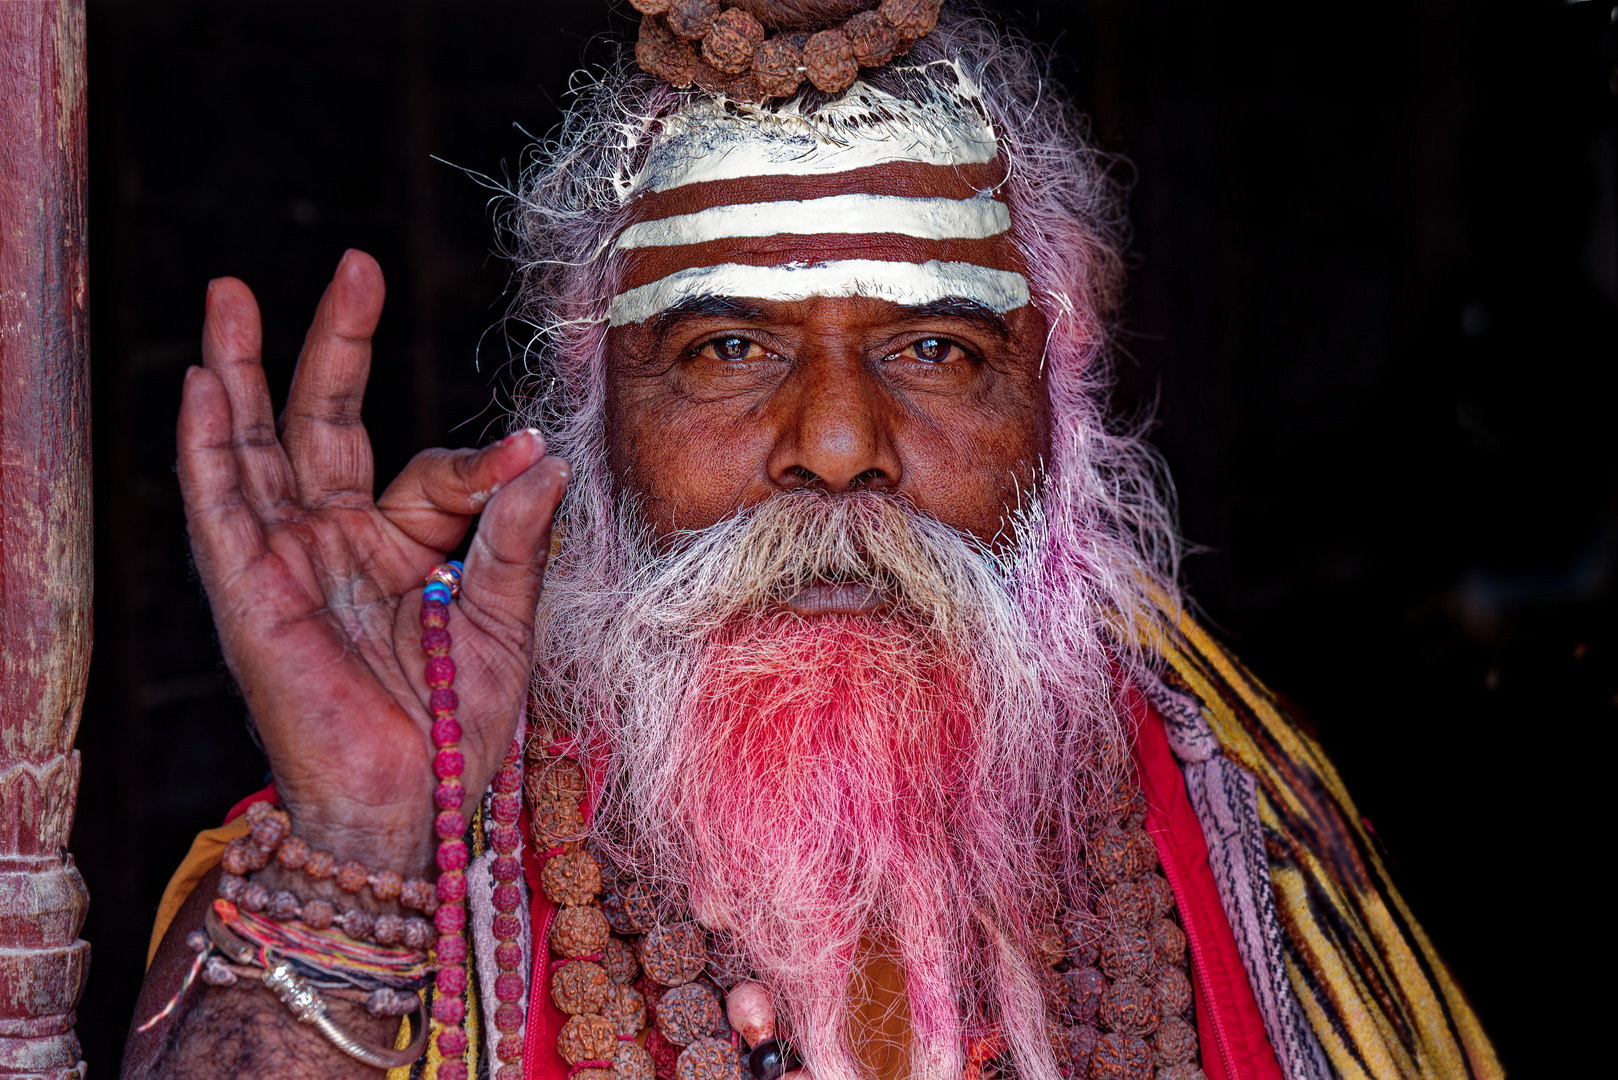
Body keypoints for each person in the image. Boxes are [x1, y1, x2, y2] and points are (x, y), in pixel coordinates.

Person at [122, 4, 1502, 1080]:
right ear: (589, 411)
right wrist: (361, 845)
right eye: (727, 348)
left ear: (1061, 408)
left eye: (933, 347)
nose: (836, 445)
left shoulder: (1244, 825)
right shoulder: (361, 851)